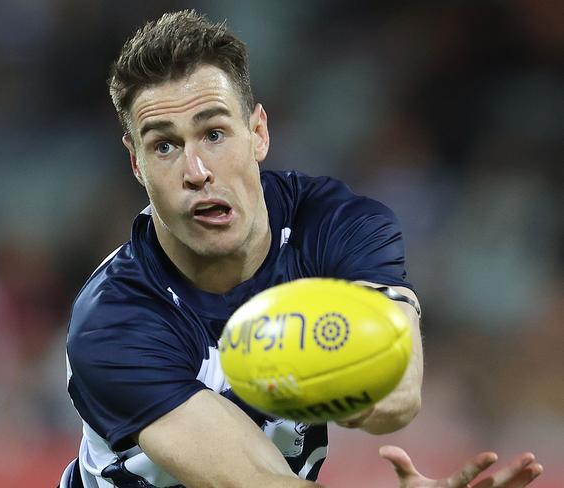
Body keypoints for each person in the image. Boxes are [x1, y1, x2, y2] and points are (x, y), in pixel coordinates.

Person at [60, 9, 542, 488]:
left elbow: (399, 391)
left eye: (214, 133)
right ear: (136, 164)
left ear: (259, 133)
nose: (196, 171)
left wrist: (362, 386)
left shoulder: (337, 227)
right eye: (164, 145)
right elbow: (256, 480)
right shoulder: (112, 321)